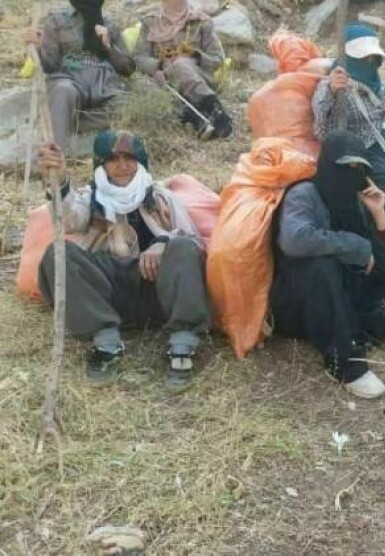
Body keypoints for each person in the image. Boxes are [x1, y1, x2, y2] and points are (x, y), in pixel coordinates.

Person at [36, 131, 211, 390]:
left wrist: (162, 244)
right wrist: (59, 179)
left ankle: (182, 346)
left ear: (140, 162)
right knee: (57, 253)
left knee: (183, 248)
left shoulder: (160, 196)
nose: (122, 166)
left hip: (157, 291)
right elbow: (68, 221)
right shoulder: (89, 197)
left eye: (129, 158)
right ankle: (105, 342)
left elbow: (193, 240)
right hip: (108, 293)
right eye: (113, 159)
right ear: (101, 163)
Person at [271, 130, 385, 399]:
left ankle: (354, 327)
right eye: (345, 166)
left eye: (359, 168)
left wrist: (379, 214)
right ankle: (344, 364)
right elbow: (294, 239)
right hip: (303, 298)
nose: (351, 175)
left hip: (348, 286)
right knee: (323, 267)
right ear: (328, 164)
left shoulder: (357, 199)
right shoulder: (305, 193)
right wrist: (356, 246)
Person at [311, 23, 385, 217]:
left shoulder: (380, 84)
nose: (370, 63)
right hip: (370, 145)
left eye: (373, 58)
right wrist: (332, 92)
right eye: (364, 58)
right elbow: (323, 130)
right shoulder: (332, 85)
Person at [23, 0, 135, 152]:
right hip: (69, 80)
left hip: (104, 84)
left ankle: (67, 118)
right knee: (63, 90)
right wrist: (37, 46)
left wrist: (109, 46)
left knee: (128, 104)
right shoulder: (56, 20)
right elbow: (50, 65)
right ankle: (58, 155)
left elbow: (127, 68)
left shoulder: (109, 22)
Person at [134, 0, 233, 140]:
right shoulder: (150, 21)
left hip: (195, 74)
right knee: (144, 85)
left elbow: (217, 59)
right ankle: (197, 120)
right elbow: (139, 57)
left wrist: (195, 54)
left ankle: (216, 112)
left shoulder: (201, 21)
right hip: (163, 78)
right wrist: (158, 67)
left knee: (181, 65)